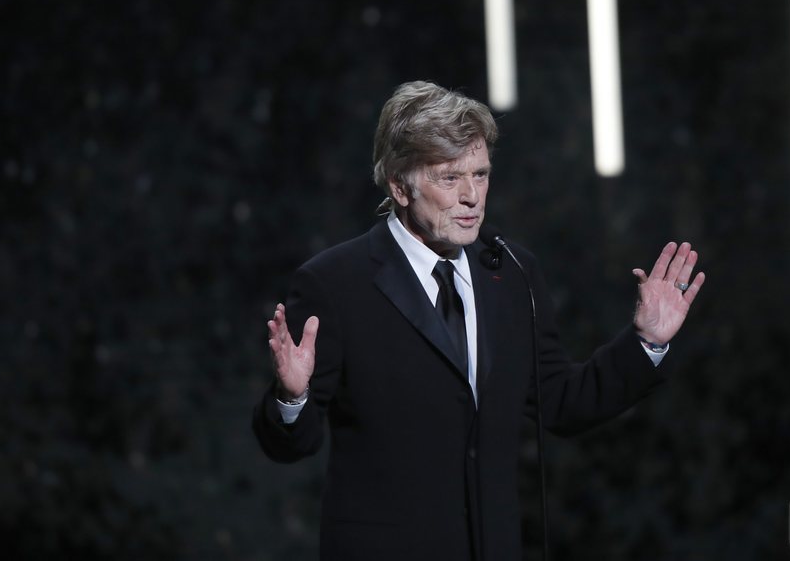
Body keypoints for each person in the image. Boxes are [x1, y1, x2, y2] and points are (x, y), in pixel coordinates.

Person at [252, 80, 705, 561]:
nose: (472, 196)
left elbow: (561, 403)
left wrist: (646, 343)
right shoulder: (335, 283)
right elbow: (289, 446)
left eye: (481, 174)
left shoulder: (511, 272)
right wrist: (292, 396)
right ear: (400, 186)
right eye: (450, 178)